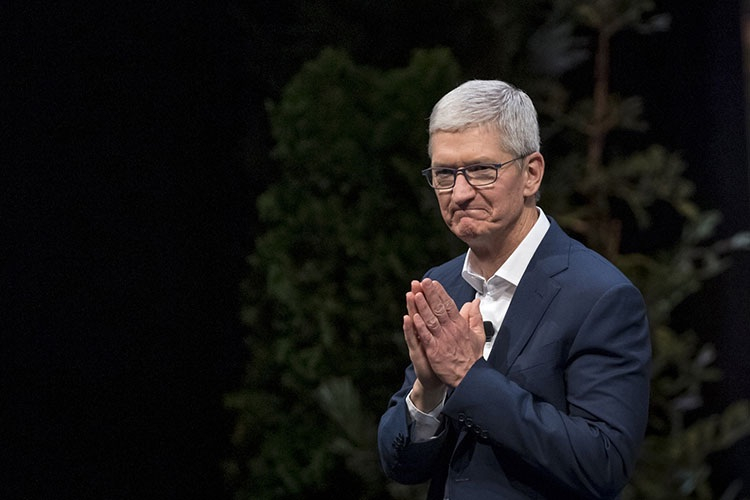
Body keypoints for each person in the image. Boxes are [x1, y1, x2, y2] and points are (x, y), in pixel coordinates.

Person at [377, 80, 651, 499]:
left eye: (481, 170)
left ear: (531, 173)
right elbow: (400, 466)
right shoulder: (443, 284)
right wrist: (427, 393)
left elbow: (604, 463)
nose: (460, 193)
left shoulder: (600, 296)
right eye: (445, 174)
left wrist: (468, 377)